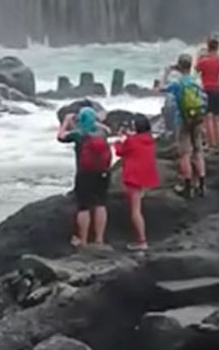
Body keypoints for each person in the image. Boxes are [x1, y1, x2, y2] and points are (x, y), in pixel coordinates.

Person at [56, 106, 111, 248]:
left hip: (85, 173)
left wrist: (66, 122)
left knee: (84, 207)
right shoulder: (103, 132)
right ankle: (99, 240)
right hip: (103, 172)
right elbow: (107, 129)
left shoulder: (78, 134)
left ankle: (84, 241)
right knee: (100, 204)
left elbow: (61, 137)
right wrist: (95, 120)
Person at [164, 54, 207, 198]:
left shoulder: (177, 83)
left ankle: (187, 187)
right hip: (197, 119)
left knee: (184, 154)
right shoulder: (196, 82)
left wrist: (166, 72)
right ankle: (201, 185)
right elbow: (204, 101)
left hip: (182, 120)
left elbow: (159, 89)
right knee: (198, 152)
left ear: (179, 66)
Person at [114, 115, 159, 250]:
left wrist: (118, 141)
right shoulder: (149, 140)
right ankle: (141, 240)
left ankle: (142, 241)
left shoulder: (131, 141)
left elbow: (120, 152)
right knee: (137, 204)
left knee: (135, 211)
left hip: (133, 176)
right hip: (145, 176)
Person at [195, 36, 219, 148]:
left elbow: (196, 69)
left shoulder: (204, 61)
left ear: (208, 47)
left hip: (206, 89)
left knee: (208, 117)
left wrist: (199, 56)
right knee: (217, 117)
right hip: (217, 89)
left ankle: (210, 143)